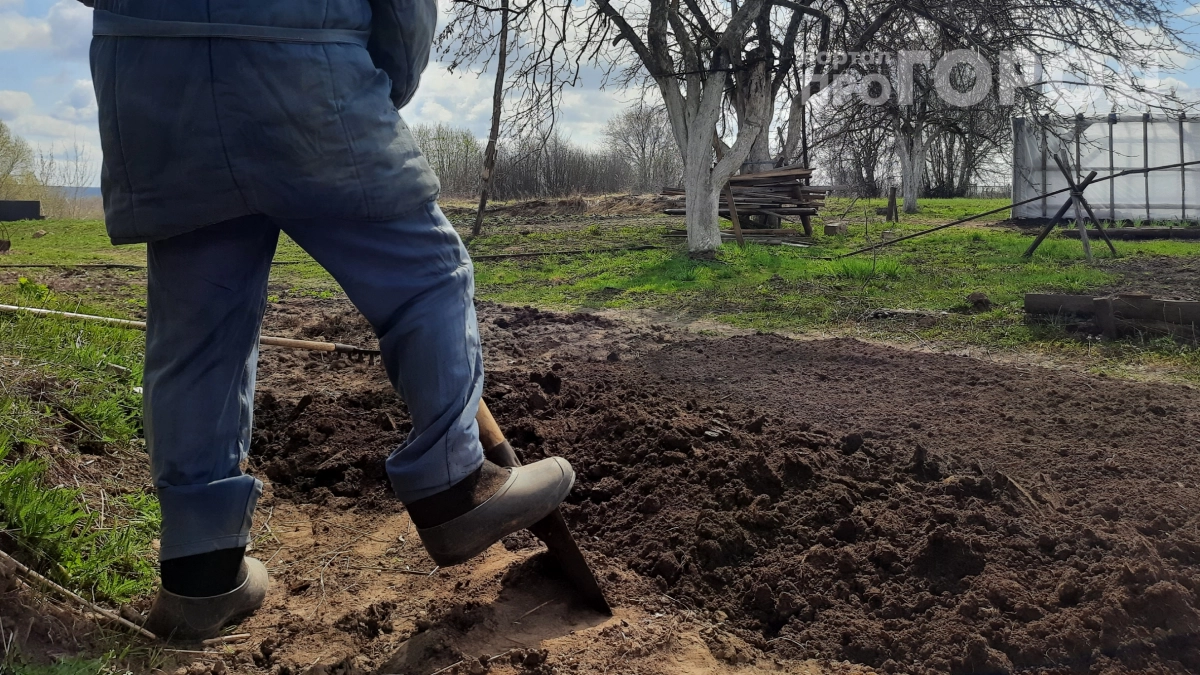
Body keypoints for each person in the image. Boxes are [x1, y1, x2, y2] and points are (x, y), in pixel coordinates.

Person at [85, 0, 574, 641]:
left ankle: (199, 572)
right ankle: (455, 488)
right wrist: (376, 80)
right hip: (302, 69)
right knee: (426, 276)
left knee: (198, 335)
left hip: (150, 83)